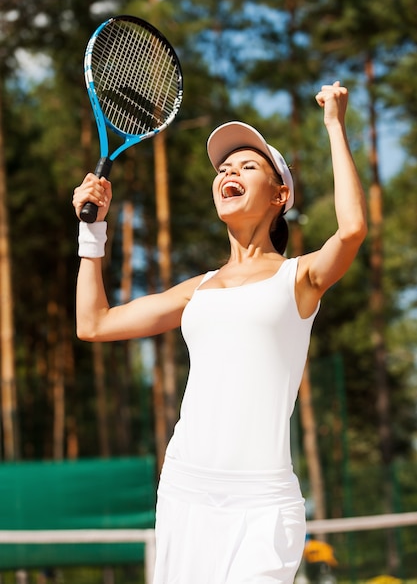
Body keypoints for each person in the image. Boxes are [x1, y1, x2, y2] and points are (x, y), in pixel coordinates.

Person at [73, 81, 367, 583]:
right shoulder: (197, 290)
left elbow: (352, 229)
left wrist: (334, 125)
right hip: (186, 491)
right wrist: (91, 232)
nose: (229, 170)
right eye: (224, 168)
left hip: (263, 505)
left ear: (281, 195)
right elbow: (93, 324)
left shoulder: (299, 277)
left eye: (247, 165)